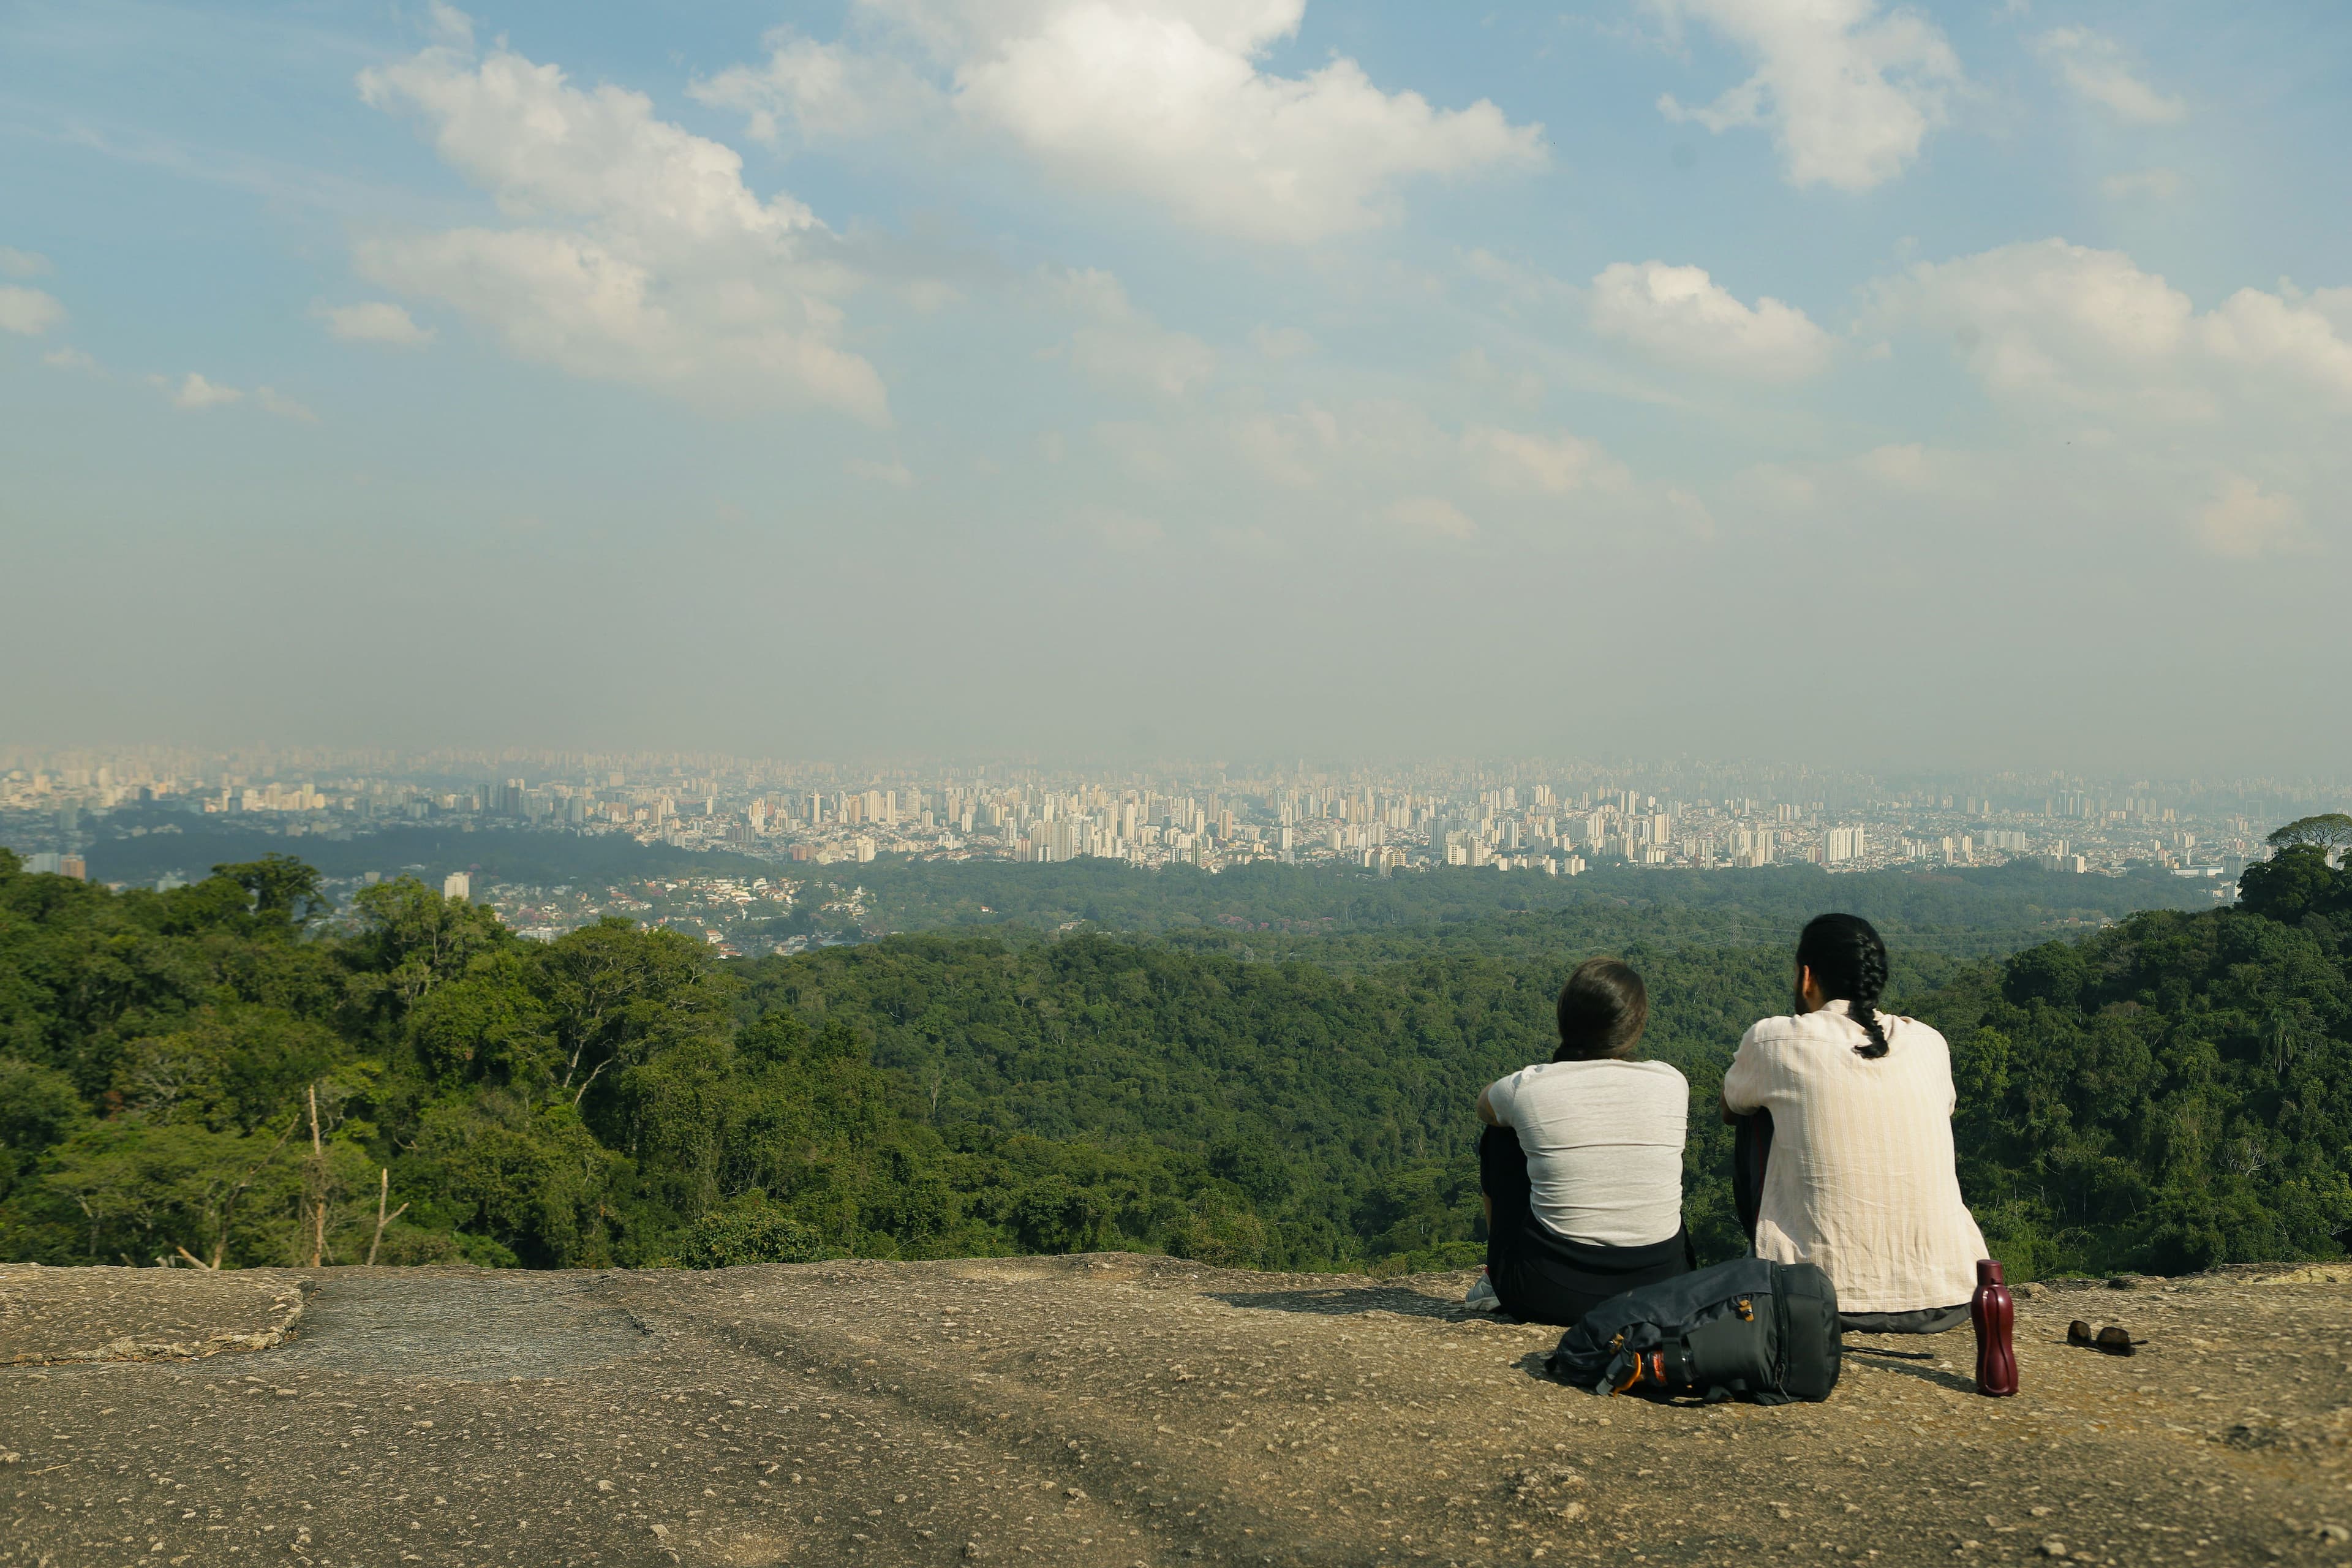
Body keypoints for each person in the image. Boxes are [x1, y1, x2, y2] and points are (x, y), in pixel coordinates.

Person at [1722, 913, 1989, 1333]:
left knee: (1753, 1115)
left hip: (1815, 1298)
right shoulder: (1929, 1042)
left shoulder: (1772, 1039)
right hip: (1952, 1293)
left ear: (1806, 977)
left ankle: (1777, 1259)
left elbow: (1728, 1107)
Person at [1475, 957, 1692, 1325]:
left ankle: (1494, 1275)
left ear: (1565, 1019)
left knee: (1501, 1133)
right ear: (1634, 1026)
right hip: (1662, 1288)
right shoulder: (1673, 1082)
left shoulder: (1529, 1088)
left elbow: (1485, 1107)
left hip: (1548, 1292)